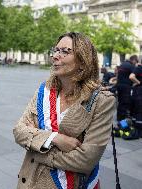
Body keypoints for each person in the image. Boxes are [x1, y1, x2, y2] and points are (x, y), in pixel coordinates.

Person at [13, 32, 115, 189]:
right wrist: (54, 138)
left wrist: (38, 151)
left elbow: (85, 160)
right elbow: (19, 131)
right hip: (31, 180)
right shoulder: (44, 90)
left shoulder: (101, 101)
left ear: (83, 61)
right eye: (56, 50)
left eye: (65, 51)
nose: (55, 55)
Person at [125, 61, 142, 139]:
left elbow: (131, 77)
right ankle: (137, 131)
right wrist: (139, 82)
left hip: (138, 92)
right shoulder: (139, 68)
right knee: (138, 111)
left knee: (137, 111)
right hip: (138, 92)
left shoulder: (138, 68)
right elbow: (131, 76)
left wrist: (138, 83)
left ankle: (136, 130)